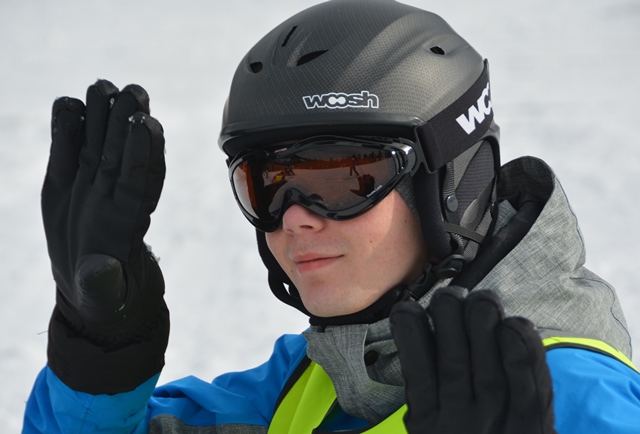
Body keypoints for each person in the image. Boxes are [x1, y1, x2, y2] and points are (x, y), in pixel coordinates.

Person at [22, 0, 640, 433]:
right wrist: (101, 348)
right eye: (268, 184)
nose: (295, 219)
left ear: (452, 183)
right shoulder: (320, 375)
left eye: (342, 180)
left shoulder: (570, 397)